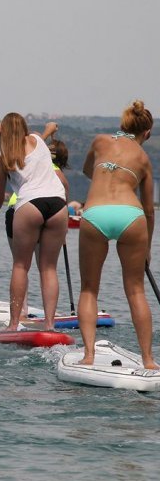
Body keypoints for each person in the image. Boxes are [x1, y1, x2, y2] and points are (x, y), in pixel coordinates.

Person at [77, 100, 157, 369]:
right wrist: (147, 249)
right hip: (130, 216)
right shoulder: (144, 159)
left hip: (95, 213)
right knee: (136, 291)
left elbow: (88, 170)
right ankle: (148, 360)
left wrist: (105, 172)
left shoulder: (100, 141)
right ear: (146, 133)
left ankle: (88, 355)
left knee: (89, 289)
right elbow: (149, 210)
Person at [0, 113, 68, 330]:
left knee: (21, 266)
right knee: (49, 268)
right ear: (24, 129)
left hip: (30, 205)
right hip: (59, 205)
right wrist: (50, 127)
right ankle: (50, 325)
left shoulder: (1, 159)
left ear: (3, 132)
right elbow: (44, 132)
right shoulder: (37, 140)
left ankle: (13, 324)